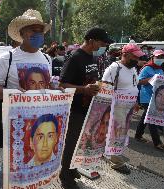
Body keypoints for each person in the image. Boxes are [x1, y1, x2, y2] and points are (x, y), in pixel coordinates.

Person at [0, 9, 52, 188]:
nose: (38, 34)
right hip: (14, 120)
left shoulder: (47, 58)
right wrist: (14, 93)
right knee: (13, 158)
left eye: (40, 30)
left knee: (31, 157)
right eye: (33, 29)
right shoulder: (7, 58)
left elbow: (47, 86)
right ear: (22, 33)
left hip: (40, 120)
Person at [59, 27, 112, 188]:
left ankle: (72, 168)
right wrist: (84, 89)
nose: (104, 46)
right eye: (102, 43)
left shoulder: (93, 57)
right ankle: (65, 176)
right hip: (75, 109)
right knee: (72, 142)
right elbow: (62, 85)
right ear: (91, 40)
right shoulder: (75, 57)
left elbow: (90, 79)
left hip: (90, 109)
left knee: (80, 143)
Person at [102, 43, 144, 170]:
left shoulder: (132, 68)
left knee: (120, 132)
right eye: (134, 57)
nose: (137, 60)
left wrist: (135, 102)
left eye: (138, 57)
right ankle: (116, 161)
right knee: (117, 133)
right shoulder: (114, 68)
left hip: (128, 108)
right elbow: (104, 88)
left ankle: (107, 153)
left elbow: (133, 86)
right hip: (115, 108)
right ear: (124, 54)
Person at [135, 50, 164, 151]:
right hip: (146, 97)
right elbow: (139, 81)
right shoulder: (146, 68)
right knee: (151, 119)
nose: (160, 59)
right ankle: (157, 142)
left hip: (157, 97)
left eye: (162, 57)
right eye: (158, 57)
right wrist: (152, 78)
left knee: (145, 117)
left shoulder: (160, 69)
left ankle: (138, 135)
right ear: (152, 57)